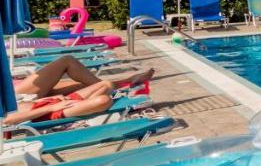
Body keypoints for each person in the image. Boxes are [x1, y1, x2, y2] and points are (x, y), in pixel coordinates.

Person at [12, 54, 154, 100]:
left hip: (14, 87)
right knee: (67, 61)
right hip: (12, 96)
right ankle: (114, 87)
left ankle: (124, 83)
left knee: (85, 85)